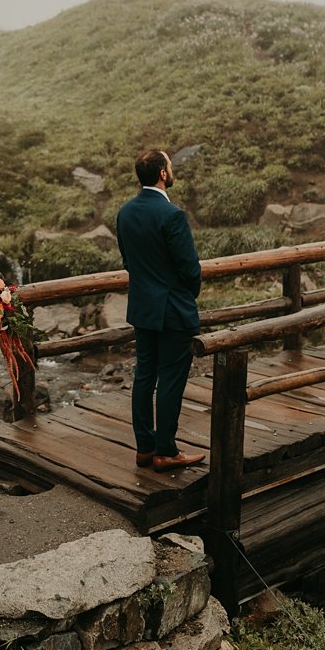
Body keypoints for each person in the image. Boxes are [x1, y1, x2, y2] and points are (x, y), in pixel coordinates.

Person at [116, 149, 205, 471]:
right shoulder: (172, 215)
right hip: (173, 309)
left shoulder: (125, 213)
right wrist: (187, 296)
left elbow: (128, 261)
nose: (171, 168)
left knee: (144, 376)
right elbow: (189, 268)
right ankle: (166, 450)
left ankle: (144, 447)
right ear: (163, 174)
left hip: (142, 306)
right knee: (171, 379)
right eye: (170, 164)